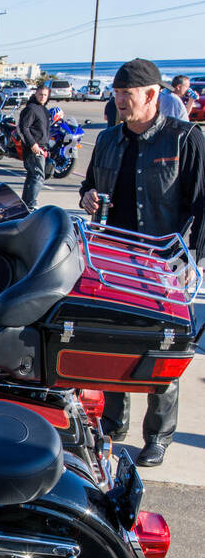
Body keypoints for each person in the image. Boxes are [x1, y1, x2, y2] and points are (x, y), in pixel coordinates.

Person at [79, 57, 205, 466]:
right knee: (112, 338)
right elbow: (88, 184)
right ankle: (114, 424)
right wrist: (87, 196)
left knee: (161, 347)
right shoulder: (109, 139)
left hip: (164, 263)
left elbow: (202, 205)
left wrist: (191, 261)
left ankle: (159, 435)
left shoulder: (185, 138)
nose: (119, 102)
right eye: (116, 95)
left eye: (126, 96)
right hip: (111, 257)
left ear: (152, 95)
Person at [17, 82, 51, 209]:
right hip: (34, 149)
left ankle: (25, 204)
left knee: (33, 176)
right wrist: (33, 144)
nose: (42, 97)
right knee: (38, 176)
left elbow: (45, 129)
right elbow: (24, 128)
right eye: (40, 94)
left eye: (45, 95)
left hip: (42, 147)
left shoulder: (43, 110)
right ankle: (31, 204)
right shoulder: (31, 109)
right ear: (36, 94)